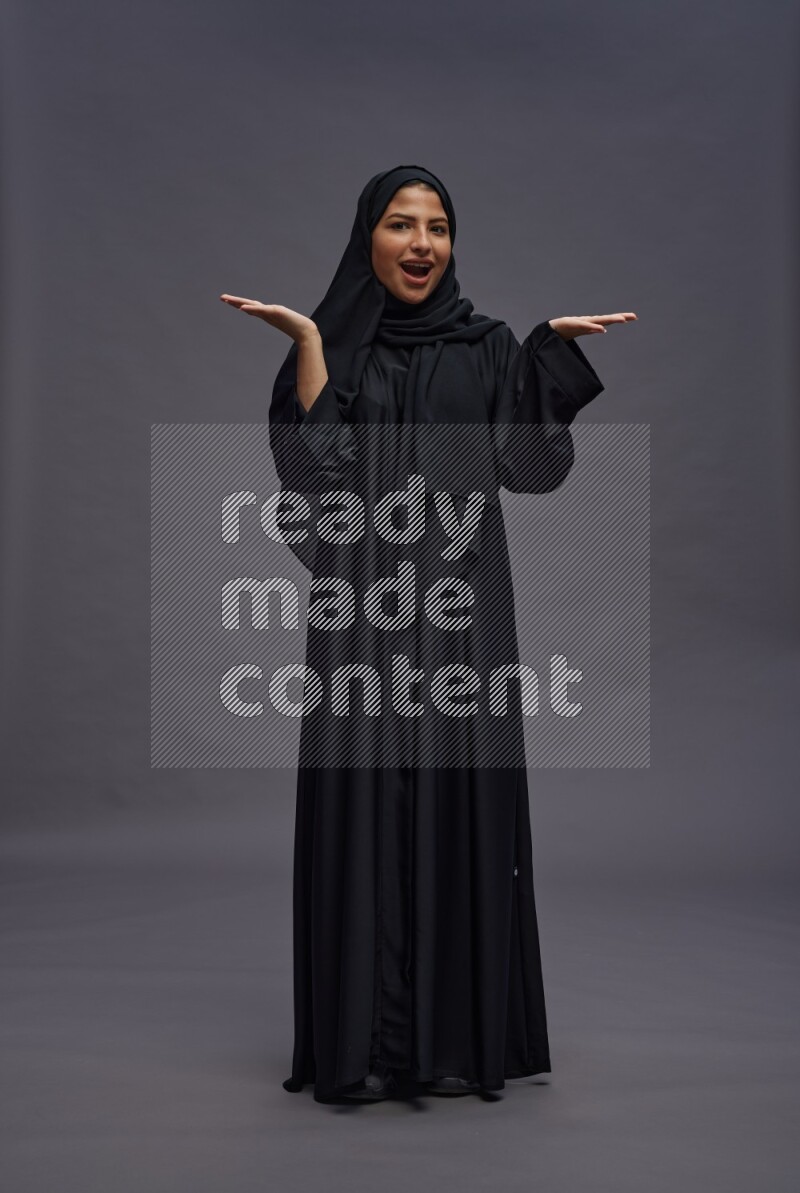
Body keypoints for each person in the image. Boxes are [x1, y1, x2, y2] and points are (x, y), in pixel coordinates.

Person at [221, 164, 636, 1104]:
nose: (421, 244)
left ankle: (455, 1036)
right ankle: (363, 1041)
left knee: (462, 807)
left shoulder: (488, 349)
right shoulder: (337, 353)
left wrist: (549, 360)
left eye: (438, 227)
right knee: (364, 808)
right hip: (362, 620)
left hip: (464, 619)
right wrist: (312, 341)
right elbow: (316, 480)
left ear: (453, 242)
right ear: (367, 237)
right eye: (402, 225)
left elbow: (527, 471)